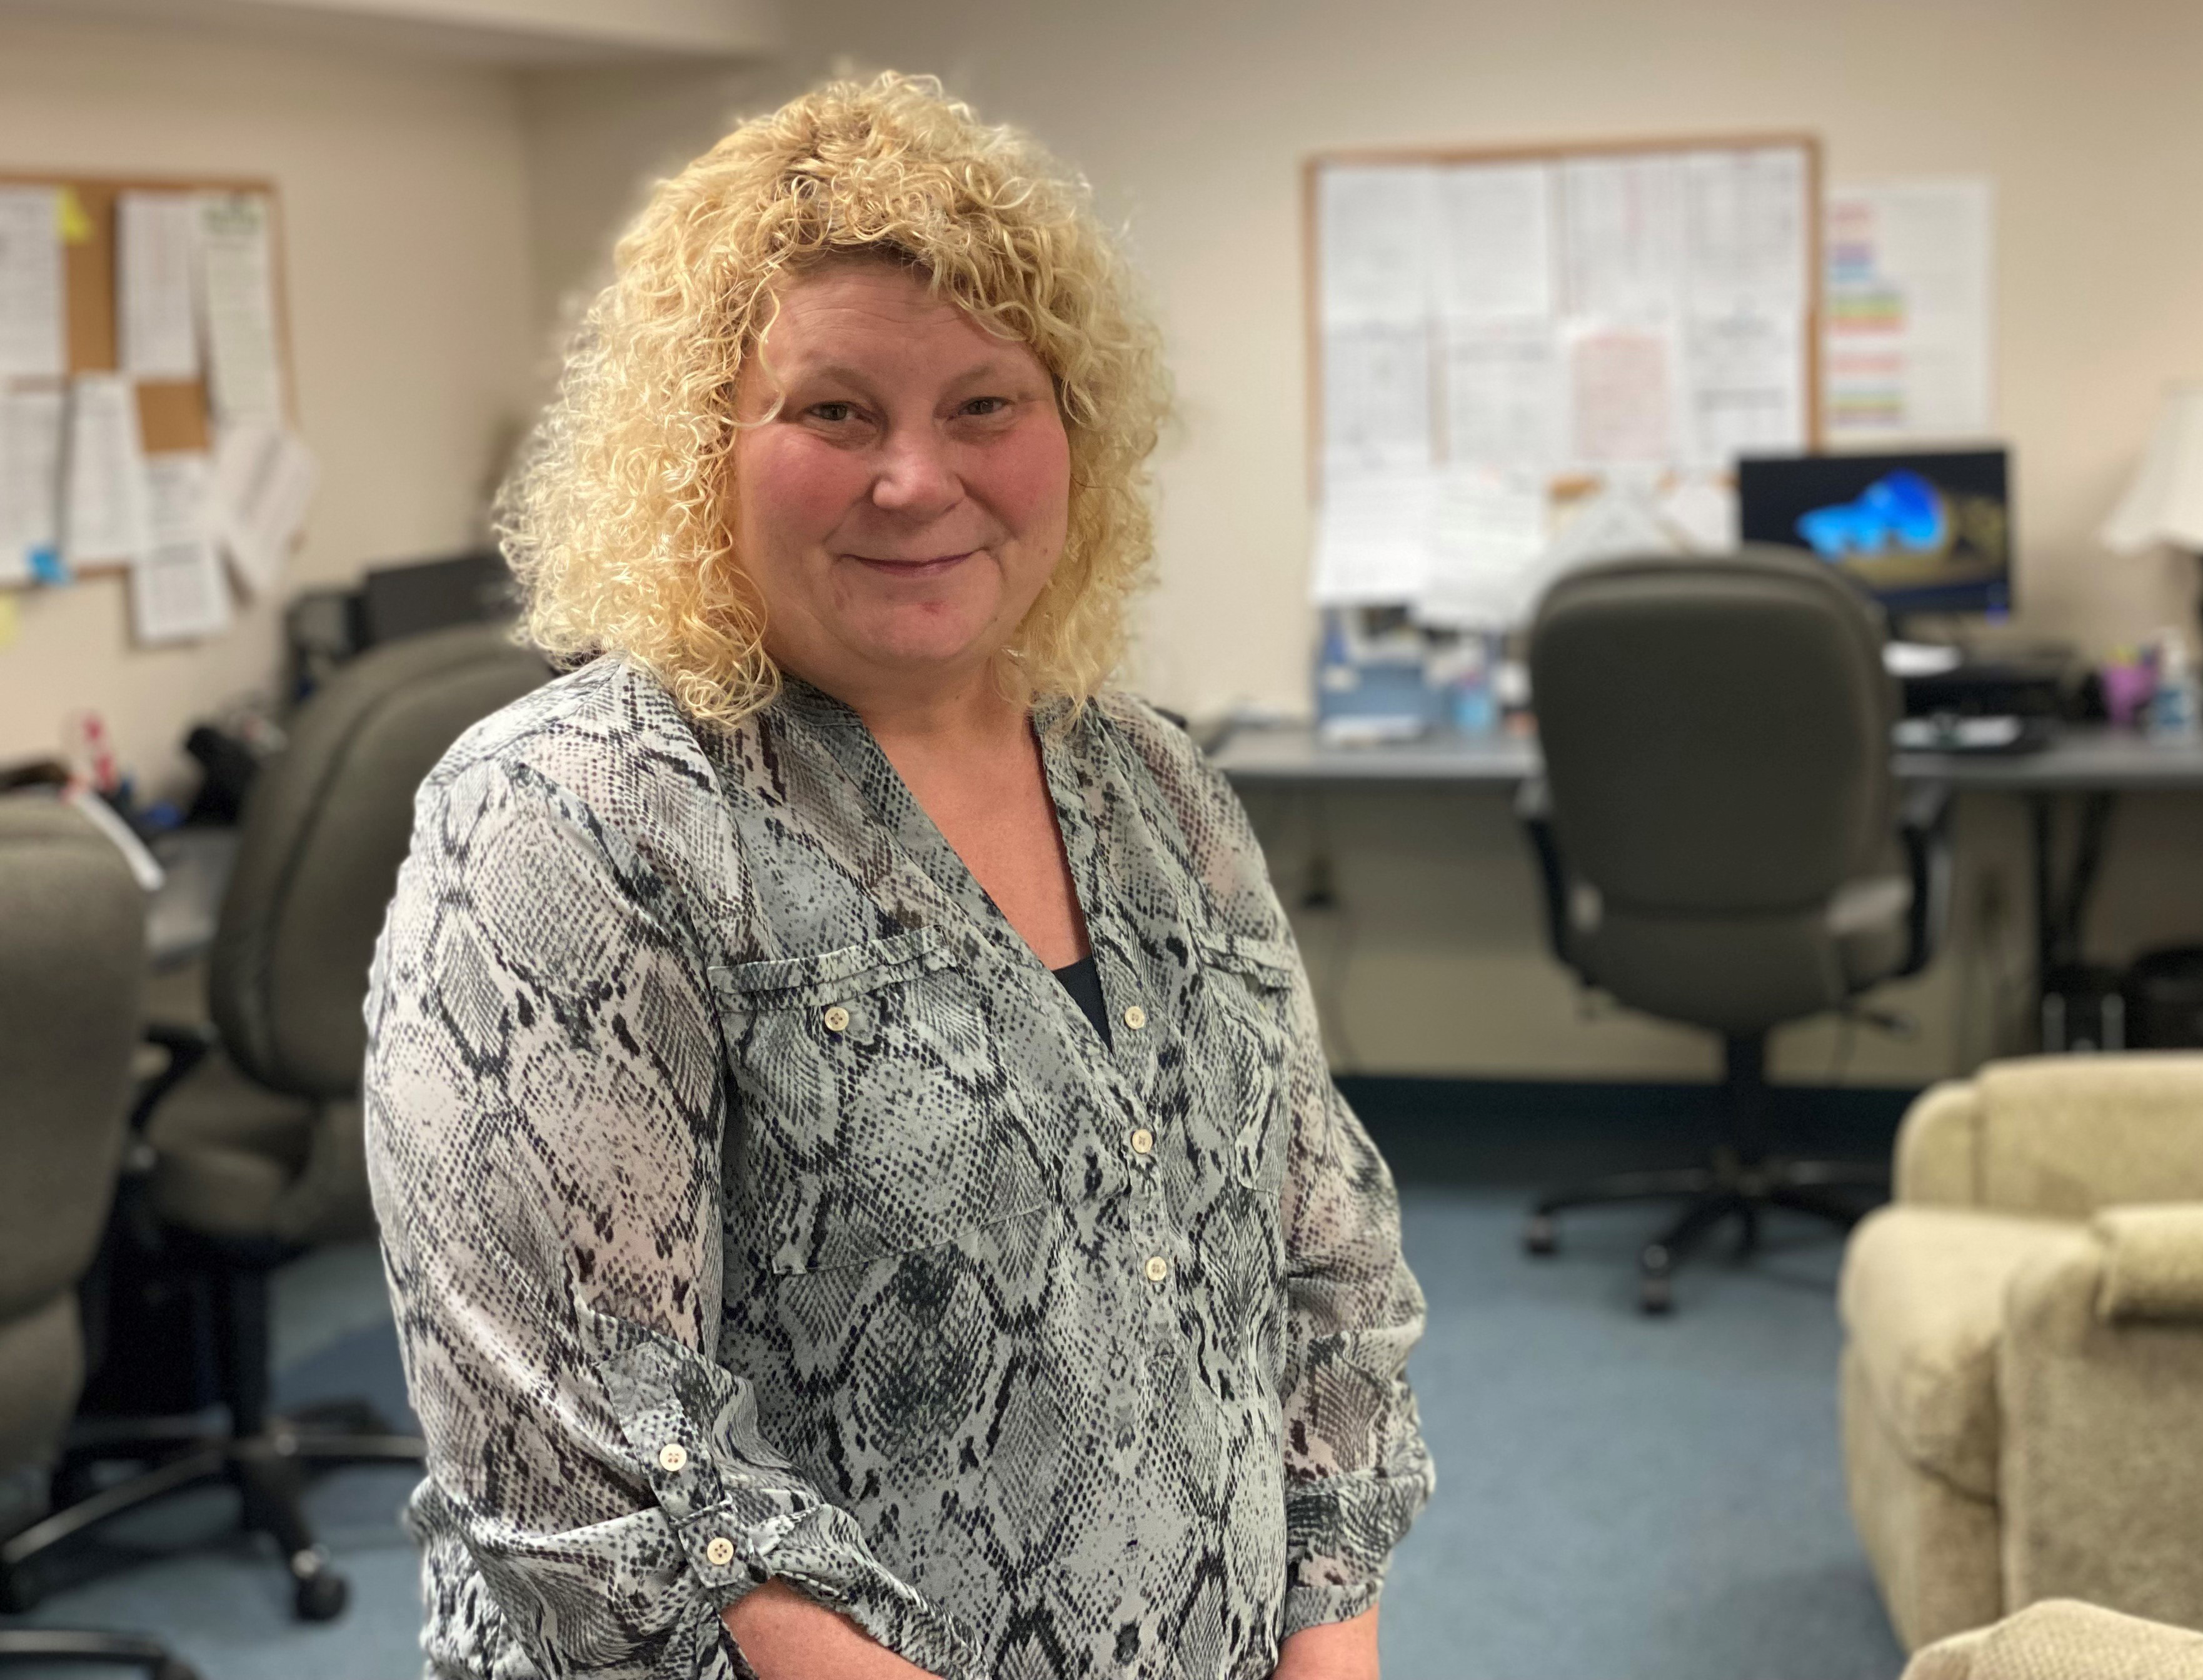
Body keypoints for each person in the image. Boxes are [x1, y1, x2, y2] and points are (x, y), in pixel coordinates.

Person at [363, 72, 1434, 1680]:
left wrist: (1328, 1648)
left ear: (1072, 433)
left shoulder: (1149, 782)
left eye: (984, 406)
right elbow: (595, 1466)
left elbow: (1327, 1272)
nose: (914, 480)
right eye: (835, 411)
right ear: (700, 449)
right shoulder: (576, 815)